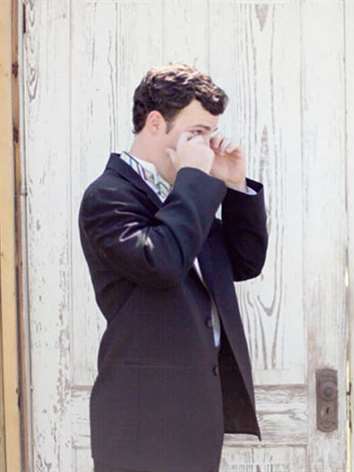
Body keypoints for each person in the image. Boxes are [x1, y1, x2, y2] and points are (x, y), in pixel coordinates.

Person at [78, 64, 268, 472]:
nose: (208, 144)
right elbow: (161, 261)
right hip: (140, 423)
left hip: (197, 419)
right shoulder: (108, 197)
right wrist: (194, 179)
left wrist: (234, 186)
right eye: (196, 132)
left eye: (210, 132)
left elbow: (245, 262)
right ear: (155, 123)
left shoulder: (184, 194)